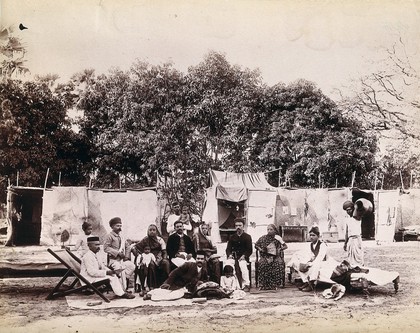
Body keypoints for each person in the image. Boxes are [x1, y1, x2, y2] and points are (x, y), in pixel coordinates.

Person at [286, 226, 329, 292]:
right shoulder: (310, 245)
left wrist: (310, 263)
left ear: (318, 236)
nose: (311, 237)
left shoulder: (322, 245)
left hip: (323, 262)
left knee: (315, 265)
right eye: (310, 235)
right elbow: (309, 255)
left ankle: (311, 284)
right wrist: (305, 263)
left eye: (313, 235)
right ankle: (306, 281)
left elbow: (320, 257)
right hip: (314, 261)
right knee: (299, 264)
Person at [133, 224, 170, 288]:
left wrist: (164, 258)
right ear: (148, 231)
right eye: (150, 230)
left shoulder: (160, 240)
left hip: (158, 257)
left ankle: (167, 283)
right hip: (148, 257)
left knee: (166, 263)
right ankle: (152, 285)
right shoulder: (145, 239)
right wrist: (139, 256)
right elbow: (135, 247)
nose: (152, 231)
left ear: (156, 231)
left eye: (154, 230)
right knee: (151, 264)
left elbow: (164, 251)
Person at [103, 217, 136, 290]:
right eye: (117, 226)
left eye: (120, 226)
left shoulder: (122, 236)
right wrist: (117, 253)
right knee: (120, 270)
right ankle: (122, 290)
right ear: (112, 227)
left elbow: (127, 246)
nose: (119, 228)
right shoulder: (109, 236)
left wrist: (126, 257)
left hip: (121, 260)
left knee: (131, 266)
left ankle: (121, 284)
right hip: (113, 260)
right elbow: (105, 248)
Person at [255, 224, 288, 290]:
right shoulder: (263, 237)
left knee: (277, 263)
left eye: (271, 229)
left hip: (276, 256)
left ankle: (275, 284)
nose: (269, 231)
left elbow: (285, 246)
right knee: (262, 263)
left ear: (275, 230)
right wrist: (260, 249)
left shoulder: (278, 238)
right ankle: (263, 284)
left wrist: (280, 249)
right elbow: (256, 245)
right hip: (265, 256)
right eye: (268, 229)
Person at [225, 218, 253, 292]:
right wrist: (230, 255)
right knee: (228, 264)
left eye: (240, 225)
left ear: (243, 226)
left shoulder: (247, 237)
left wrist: (244, 256)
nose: (238, 227)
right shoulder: (232, 237)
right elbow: (228, 249)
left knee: (243, 266)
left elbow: (249, 250)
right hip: (234, 257)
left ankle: (246, 284)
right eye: (236, 225)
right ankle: (231, 284)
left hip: (243, 257)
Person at [342, 200, 364, 267]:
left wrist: (355, 206)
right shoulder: (348, 220)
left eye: (349, 209)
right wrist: (345, 243)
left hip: (357, 240)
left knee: (358, 256)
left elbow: (360, 206)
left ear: (353, 209)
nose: (348, 211)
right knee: (351, 258)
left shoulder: (358, 217)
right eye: (347, 210)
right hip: (350, 240)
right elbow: (347, 232)